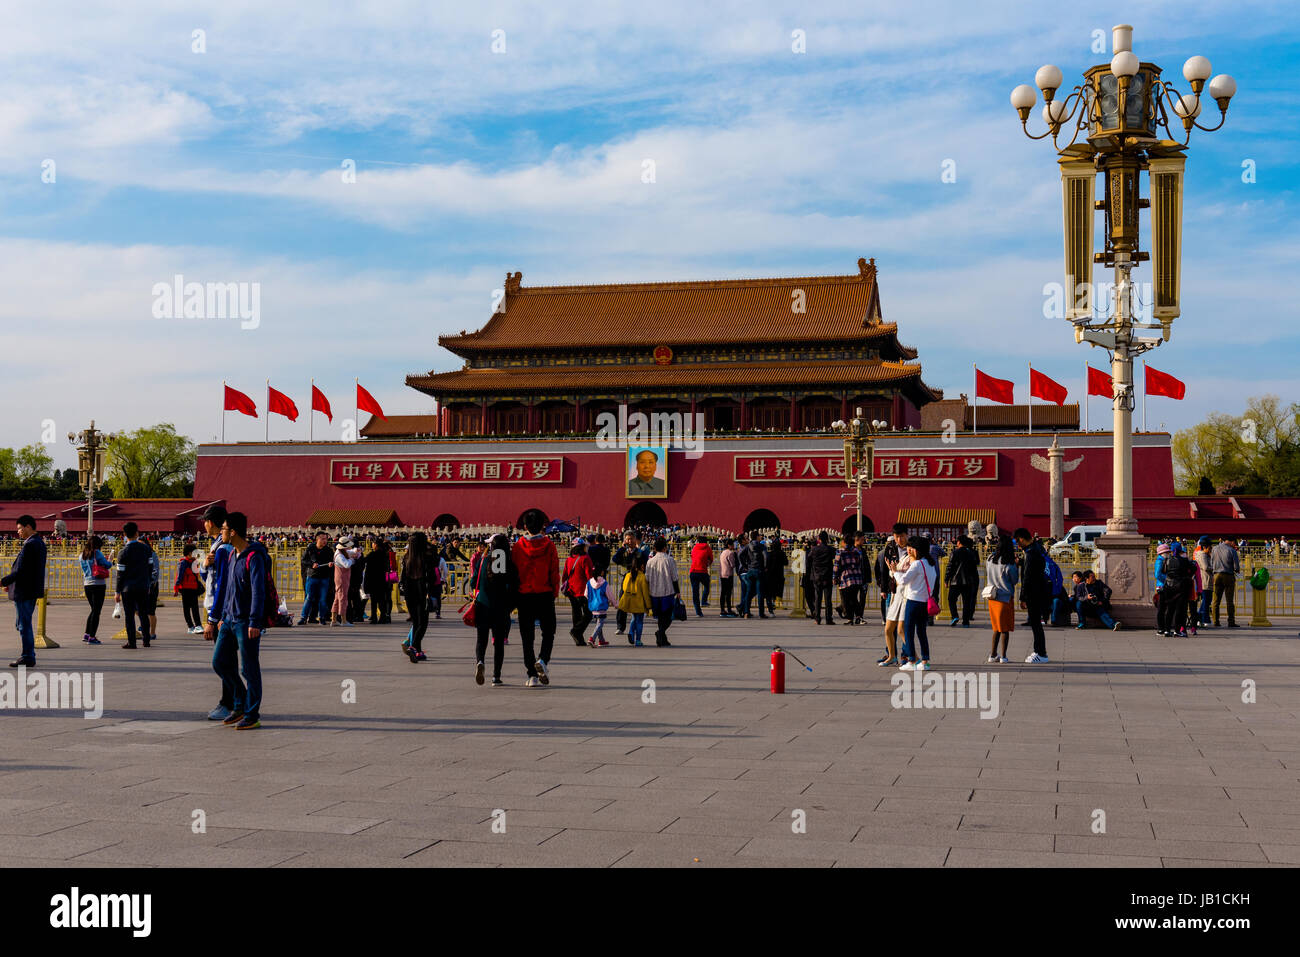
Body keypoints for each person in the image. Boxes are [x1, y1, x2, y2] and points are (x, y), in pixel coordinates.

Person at [207, 511, 267, 730]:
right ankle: (240, 702)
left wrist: (255, 622)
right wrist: (221, 616)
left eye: (222, 529)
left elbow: (258, 592)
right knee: (219, 662)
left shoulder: (254, 557)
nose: (220, 532)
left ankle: (252, 714)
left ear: (232, 532)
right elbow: (228, 587)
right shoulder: (232, 555)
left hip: (245, 622)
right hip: (229, 619)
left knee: (249, 669)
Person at [511, 509, 559, 685]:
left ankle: (531, 675)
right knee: (549, 632)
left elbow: (514, 573)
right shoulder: (550, 546)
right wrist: (554, 592)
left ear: (525, 526)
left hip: (524, 596)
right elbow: (554, 572)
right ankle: (543, 660)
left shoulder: (517, 547)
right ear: (542, 526)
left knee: (527, 636)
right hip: (544, 593)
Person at [200, 505, 237, 720]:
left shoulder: (223, 548)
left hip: (220, 609)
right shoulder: (217, 547)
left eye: (205, 521)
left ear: (210, 523)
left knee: (223, 659)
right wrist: (205, 565)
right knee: (225, 658)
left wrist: (214, 619)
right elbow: (209, 579)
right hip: (217, 607)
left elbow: (222, 584)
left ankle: (231, 701)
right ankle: (234, 701)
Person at [473, 532, 519, 685]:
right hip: (501, 608)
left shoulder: (483, 561)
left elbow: (474, 583)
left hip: (483, 606)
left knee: (481, 640)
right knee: (498, 643)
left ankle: (480, 662)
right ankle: (496, 677)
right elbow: (515, 588)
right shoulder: (510, 564)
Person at [2, 515, 46, 668]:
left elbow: (21, 571)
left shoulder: (30, 545)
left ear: (28, 526)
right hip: (29, 589)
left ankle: (28, 656)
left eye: (20, 529)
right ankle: (28, 654)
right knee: (22, 623)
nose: (18, 532)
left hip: (25, 590)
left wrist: (4, 581)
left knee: (24, 624)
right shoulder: (38, 543)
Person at [891, 535, 936, 671]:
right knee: (922, 632)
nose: (910, 550)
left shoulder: (917, 564)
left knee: (908, 631)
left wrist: (894, 572)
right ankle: (925, 661)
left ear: (918, 550)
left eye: (912, 548)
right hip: (925, 602)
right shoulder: (931, 564)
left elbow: (903, 581)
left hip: (913, 601)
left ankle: (911, 660)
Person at [114, 522, 154, 650]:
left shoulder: (123, 552)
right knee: (143, 613)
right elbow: (150, 567)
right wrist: (147, 582)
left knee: (129, 615)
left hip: (127, 588)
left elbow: (120, 574)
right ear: (137, 533)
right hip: (143, 586)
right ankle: (146, 640)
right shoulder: (146, 549)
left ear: (124, 535)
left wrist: (117, 591)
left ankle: (132, 642)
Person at [1014, 528, 1051, 663]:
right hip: (1039, 590)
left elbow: (1027, 577)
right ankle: (1038, 651)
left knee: (1036, 623)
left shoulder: (1030, 552)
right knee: (1036, 623)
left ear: (1022, 539)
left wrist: (1022, 597)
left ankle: (1041, 653)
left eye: (1018, 542)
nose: (1018, 545)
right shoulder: (1037, 548)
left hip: (1033, 592)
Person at [877, 523, 910, 664]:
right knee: (890, 625)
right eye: (897, 537)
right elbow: (885, 569)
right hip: (892, 590)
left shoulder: (913, 548)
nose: (900, 540)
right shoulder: (890, 547)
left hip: (907, 591)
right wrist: (883, 589)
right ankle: (891, 654)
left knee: (903, 626)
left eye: (902, 536)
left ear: (907, 535)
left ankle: (906, 654)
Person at [985, 534, 1019, 663]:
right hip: (1004, 597)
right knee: (1004, 629)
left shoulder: (990, 558)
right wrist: (1017, 565)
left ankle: (993, 654)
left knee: (996, 628)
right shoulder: (1009, 563)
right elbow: (1014, 580)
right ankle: (1003, 656)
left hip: (992, 597)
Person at [401, 533, 434, 662]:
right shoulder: (426, 557)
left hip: (409, 593)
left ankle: (418, 652)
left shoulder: (406, 558)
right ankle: (413, 647)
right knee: (423, 623)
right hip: (422, 593)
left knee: (416, 622)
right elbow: (431, 577)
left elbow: (403, 578)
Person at [645, 536, 680, 646]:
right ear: (665, 547)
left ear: (654, 548)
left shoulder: (650, 562)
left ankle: (662, 639)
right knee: (668, 616)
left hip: (654, 592)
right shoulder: (669, 560)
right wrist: (678, 591)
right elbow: (674, 578)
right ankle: (660, 633)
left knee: (660, 616)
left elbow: (647, 578)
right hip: (667, 592)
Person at [80, 534, 111, 645]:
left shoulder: (82, 555)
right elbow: (107, 565)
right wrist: (110, 560)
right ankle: (92, 637)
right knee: (97, 611)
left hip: (87, 584)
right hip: (98, 584)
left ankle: (87, 633)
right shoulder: (97, 553)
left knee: (93, 610)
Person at [1157, 541, 1192, 637]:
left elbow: (1163, 571)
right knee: (1179, 610)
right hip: (1180, 587)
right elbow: (1192, 569)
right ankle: (1177, 630)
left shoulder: (1167, 560)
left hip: (1169, 586)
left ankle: (1167, 630)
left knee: (1170, 610)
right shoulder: (1184, 560)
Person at [563, 539, 595, 645]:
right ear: (582, 547)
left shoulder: (569, 559)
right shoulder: (586, 558)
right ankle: (576, 631)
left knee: (576, 613)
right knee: (588, 614)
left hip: (571, 590)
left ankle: (579, 639)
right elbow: (589, 576)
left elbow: (564, 576)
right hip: (583, 591)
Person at [298, 531, 333, 625]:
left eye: (326, 539)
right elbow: (304, 560)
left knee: (322, 599)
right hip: (312, 576)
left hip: (324, 577)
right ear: (317, 539)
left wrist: (331, 564)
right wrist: (311, 565)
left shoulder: (329, 550)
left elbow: (332, 561)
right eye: (322, 539)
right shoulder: (310, 548)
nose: (325, 541)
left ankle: (322, 618)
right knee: (309, 597)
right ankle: (303, 617)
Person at [944, 535, 979, 627]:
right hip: (968, 582)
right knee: (966, 602)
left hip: (955, 581)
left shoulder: (954, 552)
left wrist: (946, 579)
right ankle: (966, 621)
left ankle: (955, 616)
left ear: (959, 542)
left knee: (951, 599)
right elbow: (974, 568)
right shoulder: (971, 553)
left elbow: (950, 567)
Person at [618, 555, 651, 646]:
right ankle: (638, 640)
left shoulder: (628, 575)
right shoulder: (642, 577)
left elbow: (624, 588)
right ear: (641, 566)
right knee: (639, 621)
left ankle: (631, 633)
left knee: (633, 618)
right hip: (639, 603)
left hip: (630, 602)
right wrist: (649, 606)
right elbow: (645, 593)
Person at [833, 535, 864, 626]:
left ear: (844, 542)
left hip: (846, 578)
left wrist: (834, 577)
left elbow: (836, 566)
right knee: (854, 598)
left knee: (846, 599)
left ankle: (850, 618)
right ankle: (858, 616)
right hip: (857, 578)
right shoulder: (857, 551)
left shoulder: (840, 552)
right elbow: (859, 564)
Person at [1210, 535, 1240, 629]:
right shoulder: (1232, 550)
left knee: (1216, 600)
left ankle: (1216, 621)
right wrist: (1236, 570)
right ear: (1231, 541)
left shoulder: (1214, 549)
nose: (1234, 545)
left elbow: (1211, 562)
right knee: (1229, 601)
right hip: (1228, 576)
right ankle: (1231, 621)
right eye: (1234, 543)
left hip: (1216, 575)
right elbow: (1236, 567)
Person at [806, 531, 836, 625]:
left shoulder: (814, 549)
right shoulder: (831, 549)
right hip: (827, 576)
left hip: (817, 576)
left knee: (817, 598)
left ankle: (817, 619)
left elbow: (809, 559)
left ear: (819, 539)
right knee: (828, 599)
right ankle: (828, 619)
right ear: (827, 539)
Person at [174, 543, 204, 634]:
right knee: (186, 608)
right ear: (189, 553)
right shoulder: (183, 563)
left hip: (193, 587)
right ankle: (191, 626)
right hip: (185, 589)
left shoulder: (195, 562)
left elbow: (197, 575)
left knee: (195, 607)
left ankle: (197, 625)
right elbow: (179, 576)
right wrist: (176, 588)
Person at [331, 535, 361, 626]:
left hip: (342, 578)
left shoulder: (341, 551)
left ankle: (334, 620)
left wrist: (357, 551)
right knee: (343, 598)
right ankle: (343, 620)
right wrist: (352, 559)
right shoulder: (339, 555)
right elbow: (347, 564)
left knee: (337, 598)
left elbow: (351, 552)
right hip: (341, 579)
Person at [740, 535, 767, 619]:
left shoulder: (748, 546)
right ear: (757, 537)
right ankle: (761, 614)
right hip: (759, 570)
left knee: (748, 592)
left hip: (750, 570)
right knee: (760, 593)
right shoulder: (761, 546)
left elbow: (740, 555)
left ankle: (746, 613)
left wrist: (745, 565)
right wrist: (765, 567)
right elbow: (765, 556)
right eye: (759, 536)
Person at [585, 569, 613, 647]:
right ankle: (592, 638)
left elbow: (585, 594)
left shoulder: (589, 582)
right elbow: (610, 595)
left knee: (598, 623)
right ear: (601, 572)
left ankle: (601, 640)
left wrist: (592, 600)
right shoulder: (604, 583)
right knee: (600, 624)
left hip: (593, 607)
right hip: (601, 606)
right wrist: (615, 603)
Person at [689, 535, 713, 617]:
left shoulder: (694, 548)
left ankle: (698, 612)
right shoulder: (708, 548)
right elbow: (711, 559)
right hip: (703, 571)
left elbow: (692, 557)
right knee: (707, 585)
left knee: (695, 593)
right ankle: (704, 600)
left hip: (693, 571)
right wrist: (707, 564)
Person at [764, 536, 787, 617]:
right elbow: (786, 563)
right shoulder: (782, 553)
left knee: (770, 592)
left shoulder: (770, 554)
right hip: (780, 574)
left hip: (771, 575)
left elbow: (767, 565)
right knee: (779, 590)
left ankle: (772, 607)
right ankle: (779, 603)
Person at [1192, 535, 1213, 626]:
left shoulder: (1201, 554)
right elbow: (1205, 567)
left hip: (1203, 579)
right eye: (1209, 547)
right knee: (1206, 601)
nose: (1211, 549)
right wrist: (1214, 568)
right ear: (1205, 547)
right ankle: (1202, 618)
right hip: (1205, 580)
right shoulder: (1202, 555)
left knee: (1206, 600)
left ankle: (1201, 618)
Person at [718, 539, 738, 617]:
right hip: (728, 574)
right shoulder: (730, 553)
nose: (734, 546)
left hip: (722, 574)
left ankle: (722, 610)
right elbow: (732, 565)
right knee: (728, 593)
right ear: (729, 545)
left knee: (723, 592)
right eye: (732, 545)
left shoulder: (722, 553)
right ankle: (729, 609)